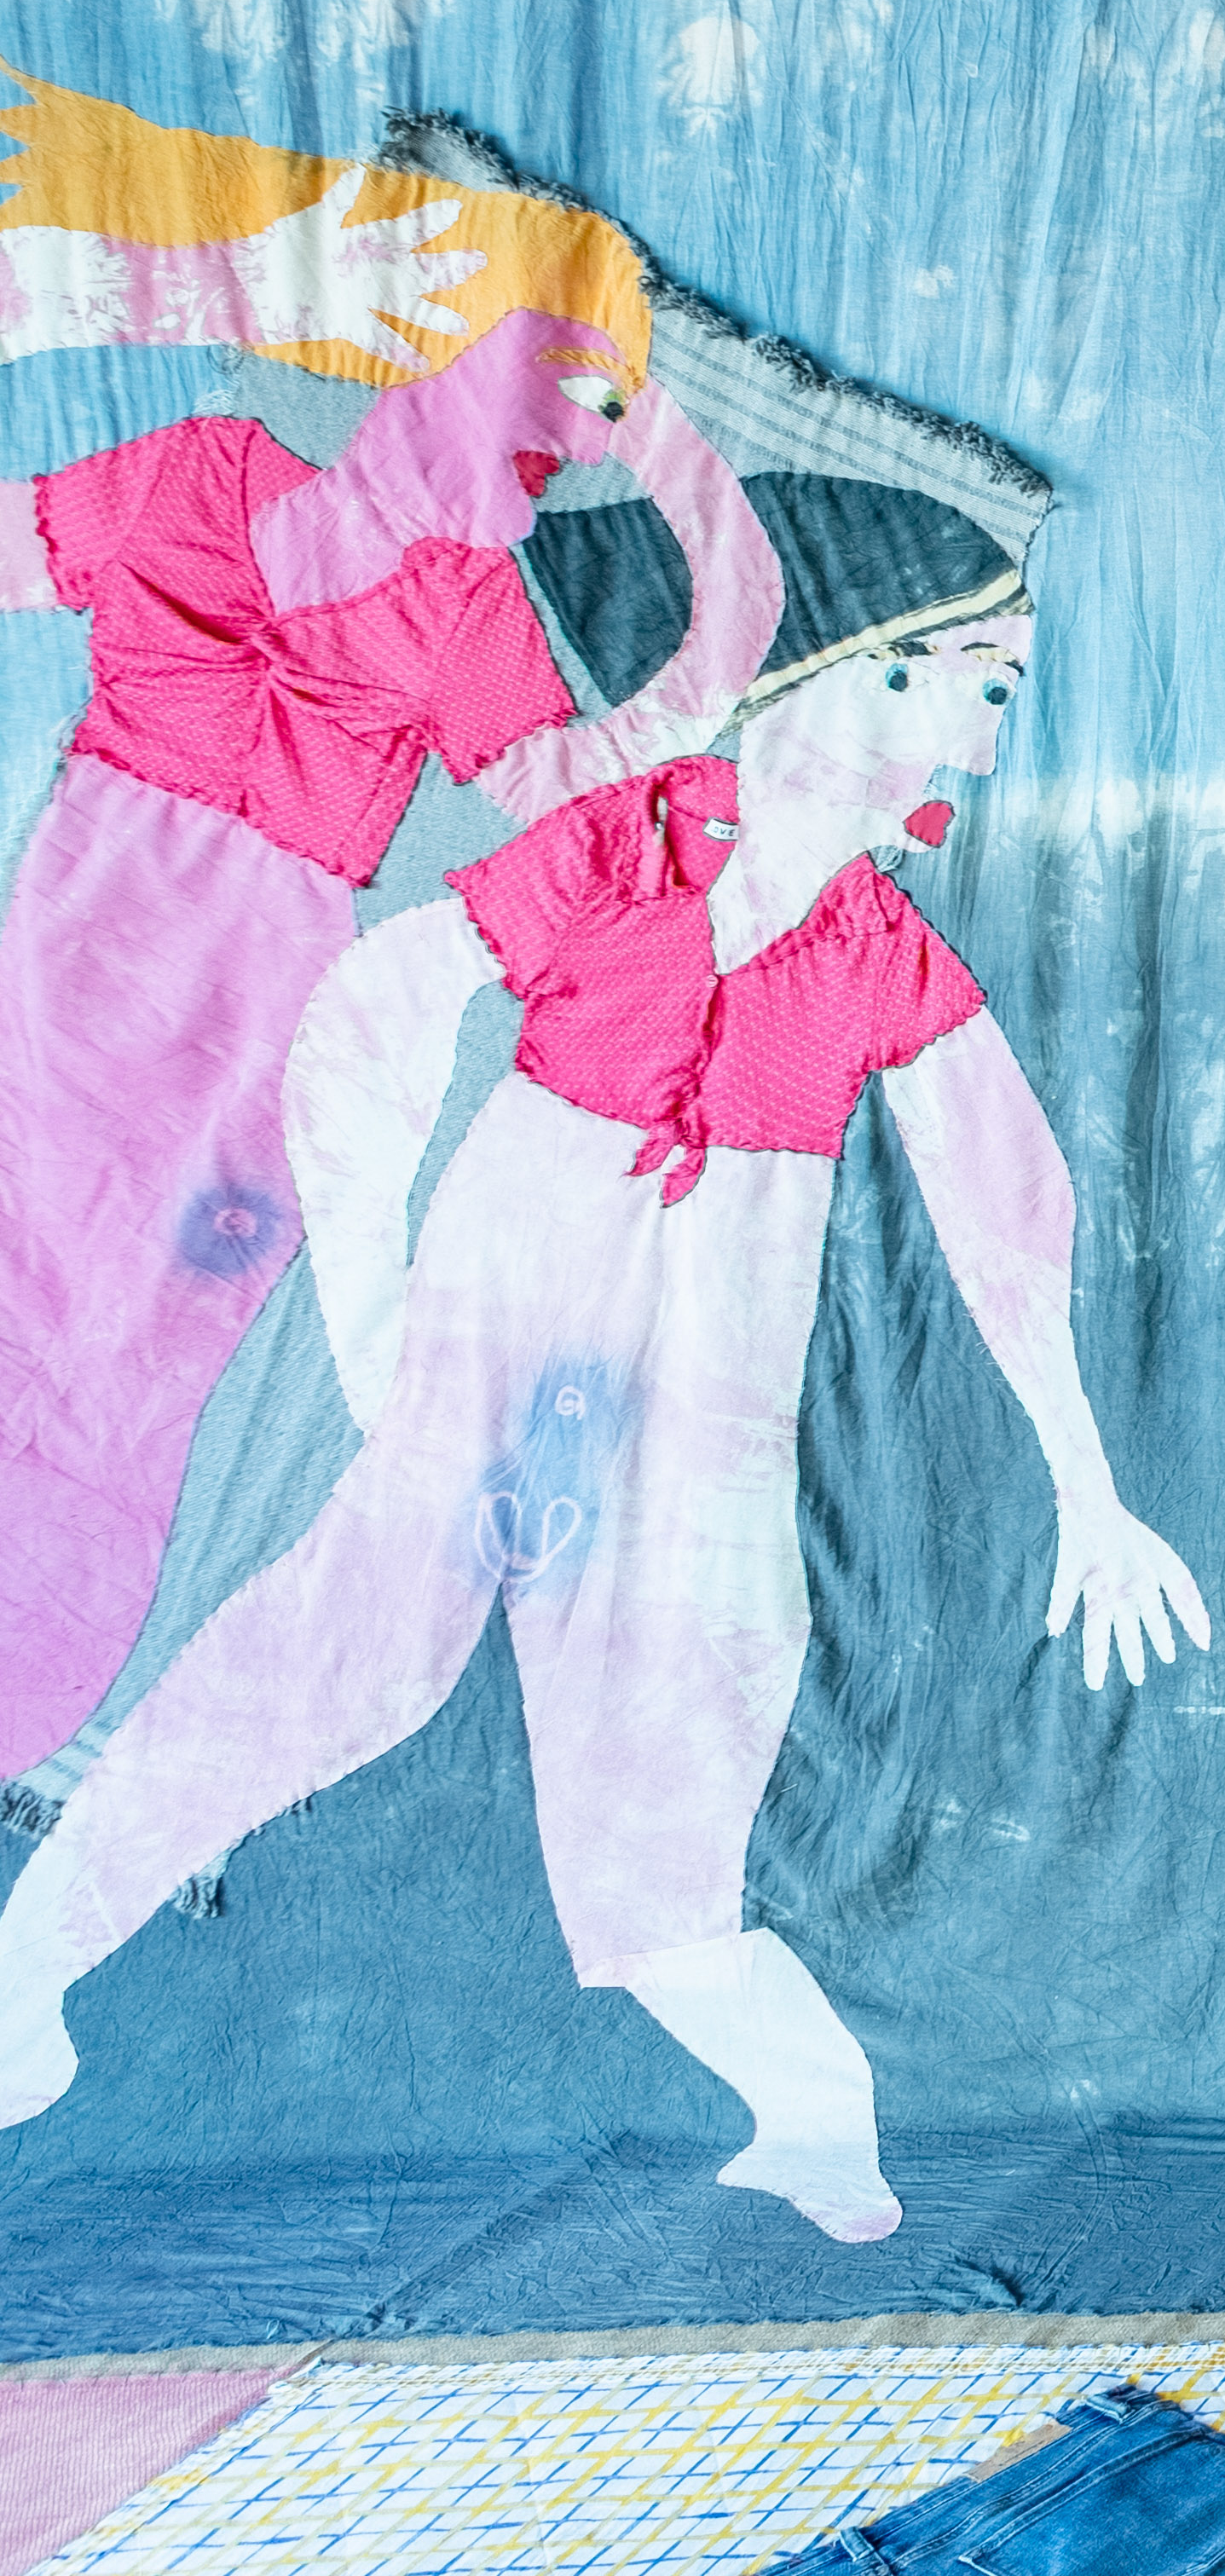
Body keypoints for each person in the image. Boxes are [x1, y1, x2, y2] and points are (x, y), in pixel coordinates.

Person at [0, 582, 1201, 2243]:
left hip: (700, 1413)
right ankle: (24, 1980)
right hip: (519, 1361)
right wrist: (373, 1319)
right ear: (836, 677)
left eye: (999, 690)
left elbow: (1006, 1196)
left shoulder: (870, 945)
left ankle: (818, 2115)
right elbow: (370, 1015)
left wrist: (1086, 1480)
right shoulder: (625, 850)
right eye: (966, 681)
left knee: (666, 1815)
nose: (982, 736)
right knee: (337, 1664)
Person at [0, 274, 783, 1778]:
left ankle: (34, 1645)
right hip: (115, 931)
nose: (522, 489)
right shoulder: (224, 487)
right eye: (532, 445)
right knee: (55, 1255)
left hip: (214, 955)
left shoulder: (437, 588)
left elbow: (562, 794)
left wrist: (689, 811)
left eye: (548, 464)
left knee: (149, 1315)